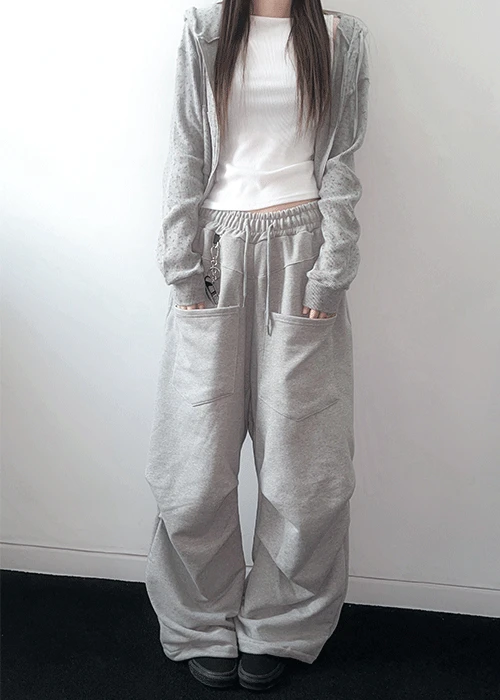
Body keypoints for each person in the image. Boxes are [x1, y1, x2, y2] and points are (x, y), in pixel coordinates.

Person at [144, 0, 370, 691]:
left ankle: (281, 624)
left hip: (303, 256)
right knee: (193, 468)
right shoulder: (205, 31)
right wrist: (181, 265)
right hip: (216, 258)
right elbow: (186, 151)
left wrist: (333, 268)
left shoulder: (340, 37)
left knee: (305, 470)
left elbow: (341, 160)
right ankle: (200, 619)